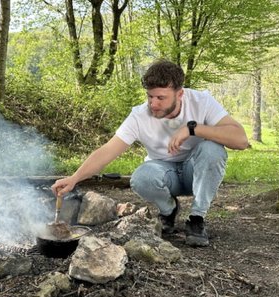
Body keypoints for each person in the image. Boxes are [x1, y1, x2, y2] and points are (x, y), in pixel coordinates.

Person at [51, 59, 249, 247]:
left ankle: (196, 219)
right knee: (141, 177)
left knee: (213, 149)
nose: (153, 104)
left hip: (196, 170)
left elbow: (240, 140)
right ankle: (169, 210)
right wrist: (75, 178)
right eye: (150, 96)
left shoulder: (202, 101)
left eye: (161, 98)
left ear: (180, 94)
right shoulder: (139, 115)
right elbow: (107, 151)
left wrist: (193, 128)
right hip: (163, 174)